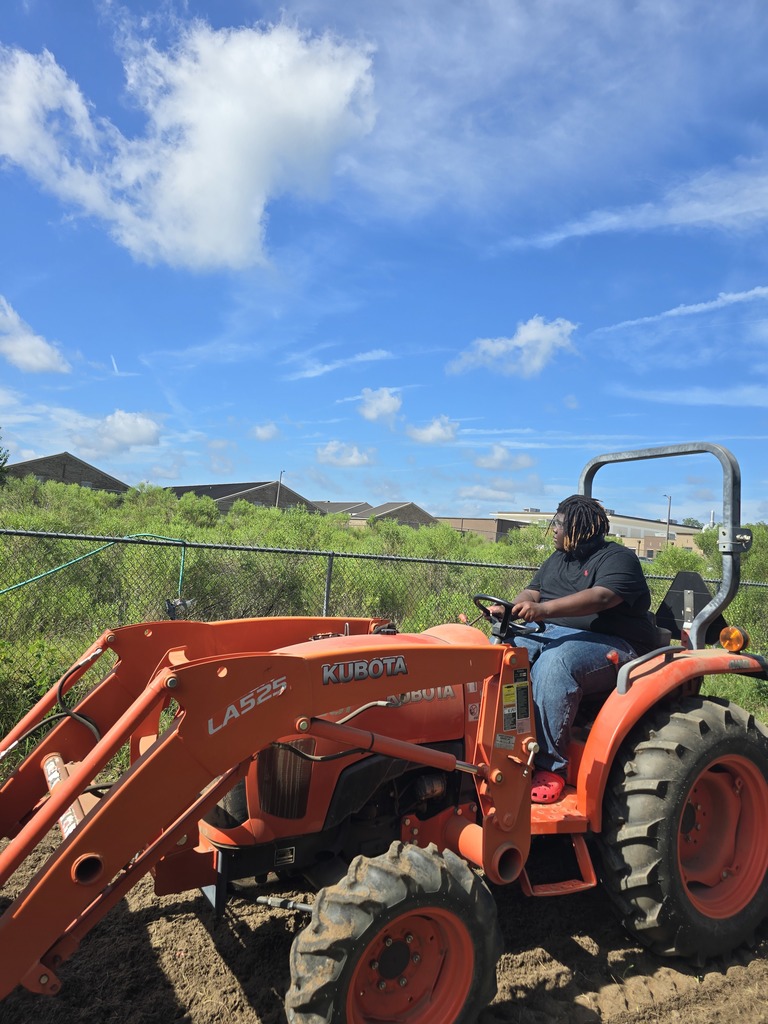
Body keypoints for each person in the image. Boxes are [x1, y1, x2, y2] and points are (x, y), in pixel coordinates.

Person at [495, 494, 656, 804]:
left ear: (580, 528)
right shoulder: (558, 558)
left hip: (617, 645)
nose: (553, 529)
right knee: (502, 649)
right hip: (554, 631)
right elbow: (533, 590)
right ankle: (502, 741)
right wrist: (513, 607)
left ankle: (550, 766)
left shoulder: (618, 558)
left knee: (557, 663)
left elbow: (601, 598)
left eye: (558, 523)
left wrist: (542, 611)